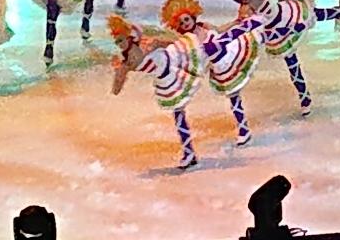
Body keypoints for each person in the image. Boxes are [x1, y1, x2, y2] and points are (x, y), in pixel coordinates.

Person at [109, 9, 264, 169]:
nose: (120, 45)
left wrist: (158, 43)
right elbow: (116, 90)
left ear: (130, 37)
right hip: (170, 73)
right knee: (178, 111)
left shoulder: (145, 43)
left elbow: (170, 44)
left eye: (121, 40)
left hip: (179, 57)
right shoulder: (125, 62)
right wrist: (118, 73)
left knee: (216, 54)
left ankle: (253, 25)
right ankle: (189, 153)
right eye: (117, 42)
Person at [212, 0, 318, 115]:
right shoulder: (245, 9)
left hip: (286, 15)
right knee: (293, 65)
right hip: (277, 32)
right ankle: (304, 96)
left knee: (317, 14)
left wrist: (293, 2)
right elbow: (246, 27)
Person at [161, 0, 261, 145]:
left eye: (186, 19)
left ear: (193, 16)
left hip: (230, 55)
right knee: (234, 97)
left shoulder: (204, 26)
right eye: (181, 23)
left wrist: (235, 22)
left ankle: (243, 130)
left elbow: (220, 31)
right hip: (219, 68)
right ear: (177, 26)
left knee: (235, 96)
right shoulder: (187, 41)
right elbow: (197, 60)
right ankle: (243, 129)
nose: (185, 23)